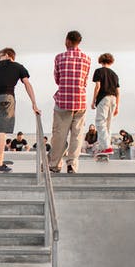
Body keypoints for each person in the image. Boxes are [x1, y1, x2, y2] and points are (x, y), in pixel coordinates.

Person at [0, 47, 42, 171]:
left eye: (0, 56)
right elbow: (27, 84)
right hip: (6, 97)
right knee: (2, 130)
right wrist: (34, 103)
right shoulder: (19, 67)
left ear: (7, 55)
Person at [49, 30, 91, 173]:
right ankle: (72, 164)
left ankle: (55, 164)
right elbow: (85, 81)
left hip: (63, 101)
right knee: (77, 135)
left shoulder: (60, 57)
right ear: (79, 42)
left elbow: (57, 79)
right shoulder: (86, 58)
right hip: (80, 101)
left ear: (67, 41)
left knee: (59, 135)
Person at [91, 53, 121, 156]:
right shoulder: (114, 74)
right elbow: (118, 92)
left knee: (100, 122)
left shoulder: (99, 71)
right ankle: (104, 147)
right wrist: (117, 106)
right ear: (111, 61)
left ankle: (106, 147)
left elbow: (97, 87)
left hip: (103, 98)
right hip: (113, 99)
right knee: (108, 124)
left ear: (101, 60)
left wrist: (93, 100)